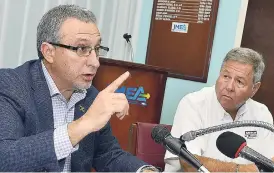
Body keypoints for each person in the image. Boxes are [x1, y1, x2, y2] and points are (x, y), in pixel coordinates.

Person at [0, 4, 159, 172]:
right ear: (49, 52)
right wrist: (84, 124)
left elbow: (107, 154)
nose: (95, 62)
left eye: (97, 49)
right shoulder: (11, 85)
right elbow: (5, 157)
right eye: (82, 49)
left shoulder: (90, 96)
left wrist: (144, 170)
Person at [164, 47, 274, 172]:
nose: (229, 87)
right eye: (226, 76)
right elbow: (189, 163)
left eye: (239, 81)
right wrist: (244, 170)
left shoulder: (261, 114)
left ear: (254, 89)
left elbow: (271, 165)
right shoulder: (193, 104)